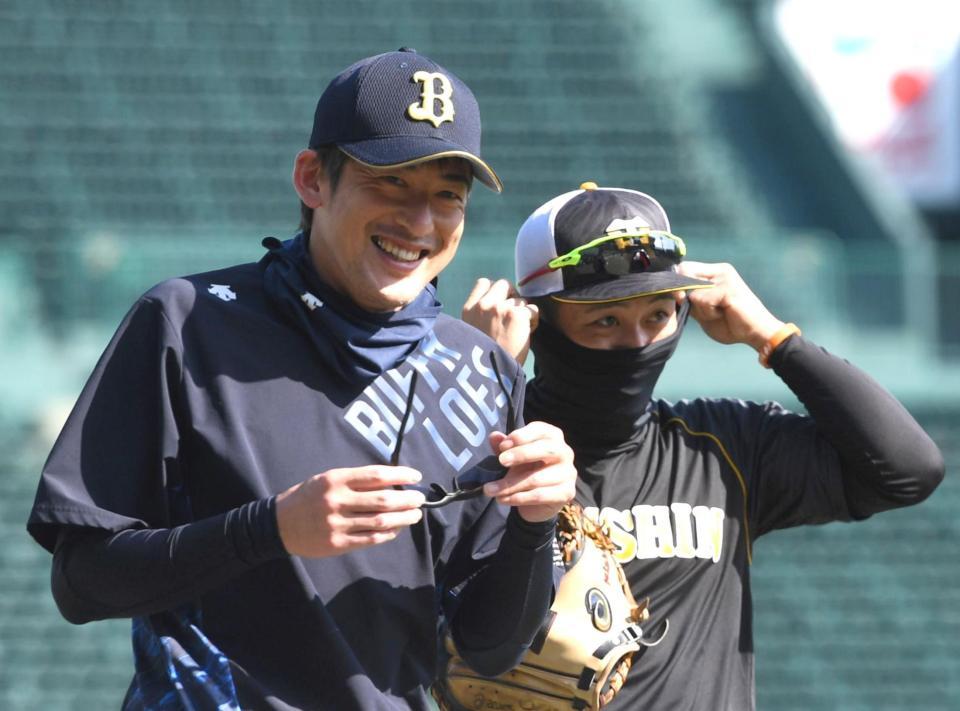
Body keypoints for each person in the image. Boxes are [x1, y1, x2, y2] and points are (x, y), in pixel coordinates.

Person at [26, 49, 577, 711]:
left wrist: (535, 524)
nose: (420, 222)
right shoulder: (187, 322)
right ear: (313, 179)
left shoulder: (480, 370)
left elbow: (487, 649)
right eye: (391, 182)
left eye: (447, 196)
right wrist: (269, 529)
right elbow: (82, 581)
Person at [461, 181, 944, 710]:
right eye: (606, 319)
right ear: (538, 322)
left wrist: (774, 338)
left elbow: (908, 469)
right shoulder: (487, 449)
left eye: (657, 315)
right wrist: (487, 380)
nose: (637, 342)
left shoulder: (723, 445)